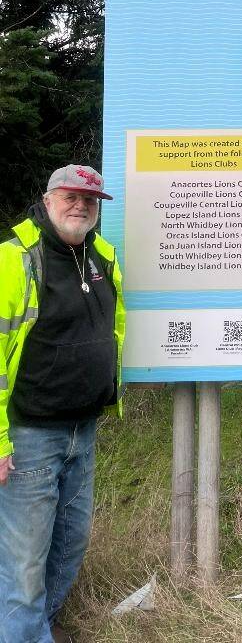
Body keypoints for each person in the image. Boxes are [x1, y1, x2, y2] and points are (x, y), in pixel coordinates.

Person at [0, 165, 125, 643]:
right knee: (25, 558)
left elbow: (111, 331)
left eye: (89, 200)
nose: (80, 206)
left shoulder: (103, 257)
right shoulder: (16, 259)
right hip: (30, 433)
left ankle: (29, 630)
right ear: (48, 200)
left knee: (69, 545)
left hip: (83, 429)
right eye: (70, 197)